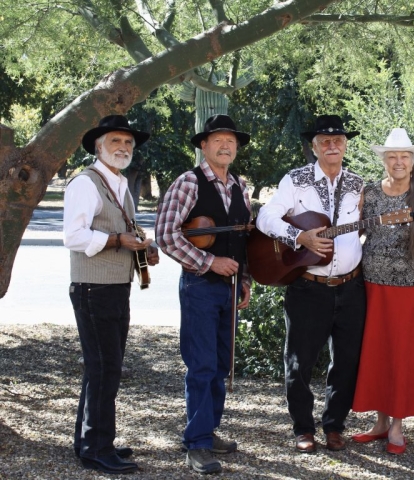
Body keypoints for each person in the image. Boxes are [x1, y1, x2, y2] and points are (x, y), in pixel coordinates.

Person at [256, 114, 366, 454]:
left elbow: (366, 229)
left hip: (351, 288)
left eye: (338, 140)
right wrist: (299, 235)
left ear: (345, 145)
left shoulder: (359, 184)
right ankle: (303, 427)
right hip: (307, 288)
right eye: (325, 141)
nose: (333, 146)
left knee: (347, 361)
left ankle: (334, 425)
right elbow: (265, 217)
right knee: (299, 362)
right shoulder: (296, 179)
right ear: (314, 146)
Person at [155, 115, 252, 475]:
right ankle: (196, 444)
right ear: (203, 145)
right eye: (217, 141)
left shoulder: (240, 186)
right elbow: (166, 235)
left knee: (222, 365)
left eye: (231, 141)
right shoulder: (188, 183)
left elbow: (244, 238)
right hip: (200, 286)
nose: (225, 146)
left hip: (229, 287)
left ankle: (208, 432)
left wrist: (245, 280)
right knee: (202, 365)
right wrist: (210, 262)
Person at [64, 114, 159, 474]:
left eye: (128, 143)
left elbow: (121, 232)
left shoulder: (117, 183)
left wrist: (143, 250)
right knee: (105, 368)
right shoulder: (85, 184)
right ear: (98, 147)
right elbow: (73, 237)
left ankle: (93, 440)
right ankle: (96, 448)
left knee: (103, 369)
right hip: (93, 288)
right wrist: (119, 240)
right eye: (115, 142)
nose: (123, 148)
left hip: (115, 287)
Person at [350, 128, 414, 455]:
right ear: (385, 161)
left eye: (404, 156)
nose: (398, 162)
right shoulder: (370, 194)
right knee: (377, 354)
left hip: (410, 291)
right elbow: (353, 235)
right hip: (372, 288)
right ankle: (380, 422)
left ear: (412, 160)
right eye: (392, 157)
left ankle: (398, 426)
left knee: (402, 357)